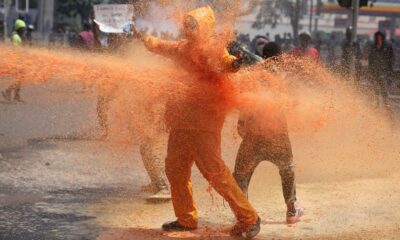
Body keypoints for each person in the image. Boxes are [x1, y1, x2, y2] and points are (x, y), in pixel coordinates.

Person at [143, 5, 261, 238]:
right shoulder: (182, 48)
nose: (189, 29)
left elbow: (227, 63)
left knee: (214, 172)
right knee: (175, 169)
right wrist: (146, 39)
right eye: (188, 25)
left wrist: (234, 64)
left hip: (204, 124)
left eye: (193, 25)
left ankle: (249, 218)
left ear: (205, 26)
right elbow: (160, 46)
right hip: (180, 122)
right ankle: (186, 218)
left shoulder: (213, 50)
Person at [233, 42, 304, 225]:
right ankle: (291, 211)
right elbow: (293, 101)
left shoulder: (255, 73)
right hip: (277, 133)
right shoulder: (283, 76)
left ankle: (244, 214)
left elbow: (247, 101)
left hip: (254, 133)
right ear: (280, 57)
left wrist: (241, 122)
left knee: (241, 174)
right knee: (287, 170)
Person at [368, 31, 394, 116]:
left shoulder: (388, 45)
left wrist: (390, 71)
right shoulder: (373, 45)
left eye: (380, 37)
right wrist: (370, 70)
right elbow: (370, 58)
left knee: (384, 92)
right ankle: (376, 108)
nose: (379, 39)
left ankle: (387, 110)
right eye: (377, 37)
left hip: (384, 71)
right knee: (374, 91)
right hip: (375, 71)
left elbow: (391, 59)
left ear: (383, 37)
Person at [2, 19, 26, 102]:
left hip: (18, 60)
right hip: (16, 61)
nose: (24, 30)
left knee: (20, 78)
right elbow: (15, 50)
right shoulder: (16, 37)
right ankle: (8, 91)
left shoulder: (17, 36)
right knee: (19, 78)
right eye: (22, 29)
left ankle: (16, 95)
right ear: (18, 28)